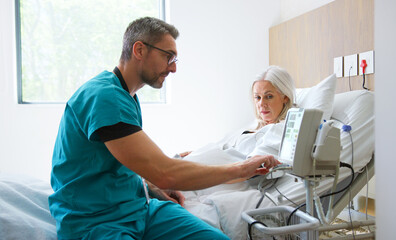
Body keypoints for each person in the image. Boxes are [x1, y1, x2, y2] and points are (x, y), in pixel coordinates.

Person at [48, 17, 279, 240]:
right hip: (96, 221)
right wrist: (241, 169)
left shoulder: (126, 96)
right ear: (139, 50)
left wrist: (153, 188)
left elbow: (128, 164)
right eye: (168, 57)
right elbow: (165, 172)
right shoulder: (104, 97)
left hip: (137, 208)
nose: (173, 68)